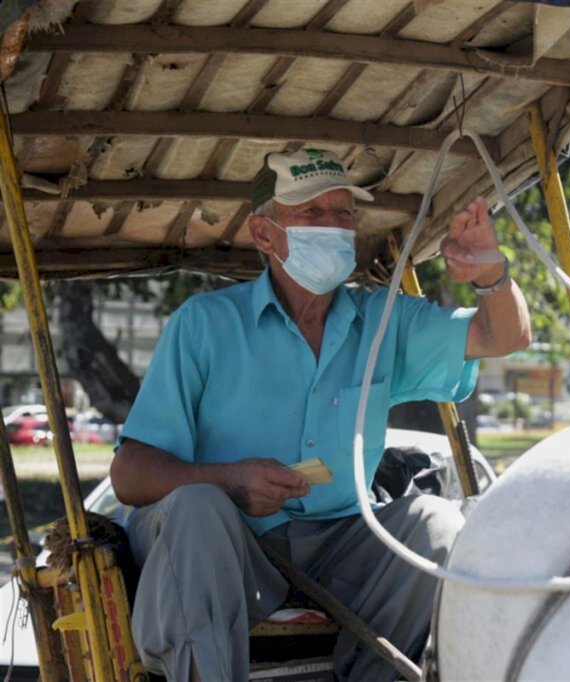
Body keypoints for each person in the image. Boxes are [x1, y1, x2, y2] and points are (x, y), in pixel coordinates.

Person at [109, 148, 531, 681]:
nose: (332, 227)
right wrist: (228, 482)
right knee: (196, 506)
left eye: (343, 215)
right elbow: (128, 475)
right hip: (226, 548)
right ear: (265, 235)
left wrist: (492, 275)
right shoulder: (205, 325)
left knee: (437, 523)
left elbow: (504, 336)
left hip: (341, 546)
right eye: (311, 214)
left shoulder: (383, 320)